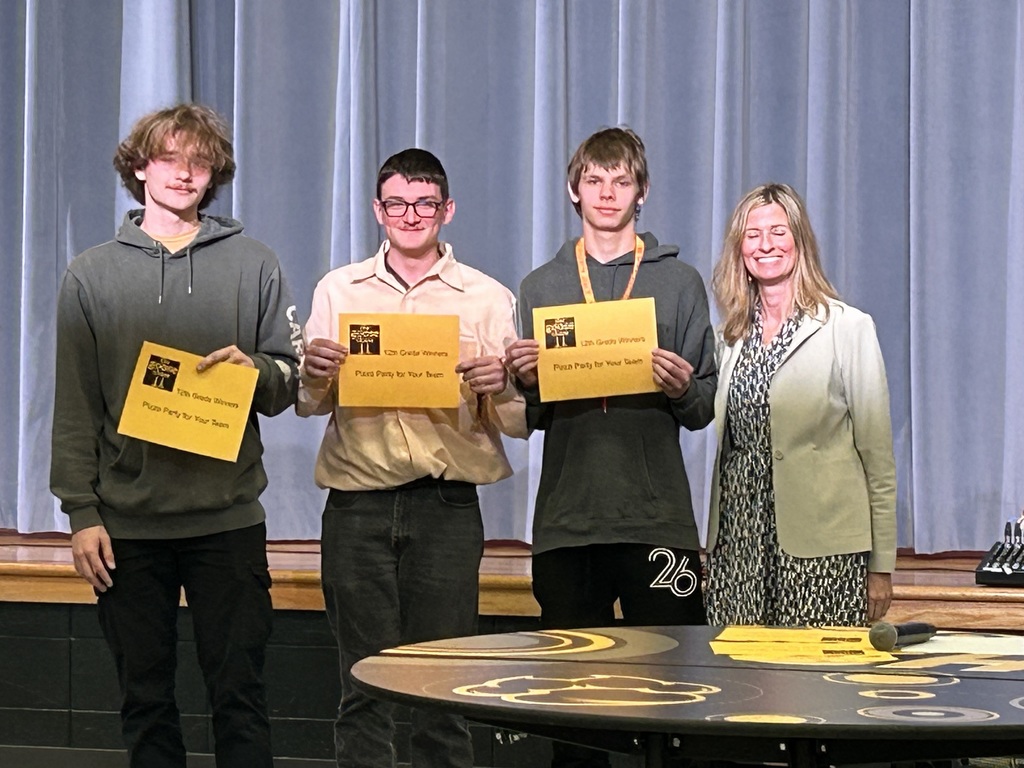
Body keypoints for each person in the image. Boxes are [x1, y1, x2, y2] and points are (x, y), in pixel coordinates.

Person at [50, 104, 302, 768]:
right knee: (145, 704)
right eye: (168, 157)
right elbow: (76, 404)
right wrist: (81, 512)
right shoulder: (90, 275)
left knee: (240, 699)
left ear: (214, 174)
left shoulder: (255, 264)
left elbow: (290, 381)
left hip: (228, 521)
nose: (184, 172)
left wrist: (261, 371)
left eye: (199, 161)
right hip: (128, 529)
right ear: (139, 167)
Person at [297, 148, 526, 768]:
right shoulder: (338, 289)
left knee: (442, 686)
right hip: (357, 507)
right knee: (363, 686)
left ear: (446, 210)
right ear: (378, 210)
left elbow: (517, 421)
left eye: (424, 203)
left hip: (446, 507)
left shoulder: (486, 297)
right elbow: (310, 404)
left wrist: (498, 384)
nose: (410, 215)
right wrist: (315, 373)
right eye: (397, 203)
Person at [504, 127, 716, 767]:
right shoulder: (540, 286)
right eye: (594, 180)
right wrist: (525, 381)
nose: (607, 193)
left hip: (659, 525)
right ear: (574, 190)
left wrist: (681, 388)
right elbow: (532, 415)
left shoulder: (679, 283)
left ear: (641, 193)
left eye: (621, 181)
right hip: (569, 526)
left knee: (679, 698)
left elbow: (704, 408)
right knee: (574, 715)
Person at [705, 182, 897, 627]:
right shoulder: (727, 339)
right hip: (738, 550)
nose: (765, 244)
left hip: (823, 554)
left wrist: (881, 566)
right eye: (752, 235)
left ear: (800, 241)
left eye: (778, 231)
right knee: (739, 685)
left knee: (816, 689)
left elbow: (878, 458)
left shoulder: (847, 328)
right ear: (739, 249)